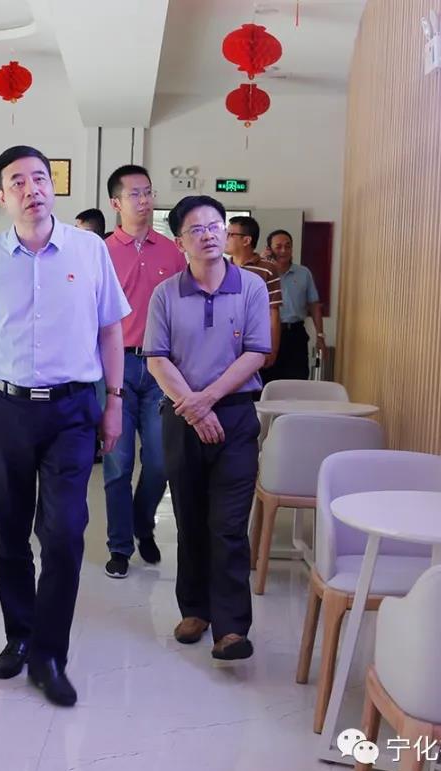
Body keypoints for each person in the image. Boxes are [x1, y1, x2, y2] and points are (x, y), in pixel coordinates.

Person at [0, 145, 128, 706]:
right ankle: (19, 636)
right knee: (9, 533)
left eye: (40, 178)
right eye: (18, 182)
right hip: (4, 409)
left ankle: (50, 653)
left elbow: (111, 330)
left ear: (53, 186)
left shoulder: (89, 250)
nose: (32, 189)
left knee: (66, 532)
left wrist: (114, 401)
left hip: (72, 410)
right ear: (2, 196)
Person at [143, 195, 270, 661]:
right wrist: (194, 409)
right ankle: (195, 609)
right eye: (196, 229)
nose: (209, 235)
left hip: (234, 415)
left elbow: (256, 354)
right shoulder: (165, 294)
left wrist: (209, 400)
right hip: (182, 416)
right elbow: (157, 359)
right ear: (180, 242)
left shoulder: (251, 286)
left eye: (216, 225)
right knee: (190, 519)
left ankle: (232, 627)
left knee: (229, 525)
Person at [100, 165, 186, 578]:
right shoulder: (100, 252)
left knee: (160, 461)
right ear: (116, 203)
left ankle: (141, 522)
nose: (145, 200)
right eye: (135, 194)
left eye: (148, 192)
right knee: (117, 464)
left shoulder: (172, 252)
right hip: (114, 368)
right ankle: (119, 546)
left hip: (160, 368)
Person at [263, 229, 326, 381]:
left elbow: (314, 305)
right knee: (267, 382)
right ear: (269, 249)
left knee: (297, 381)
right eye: (278, 247)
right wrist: (262, 262)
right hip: (268, 334)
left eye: (288, 246)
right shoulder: (262, 273)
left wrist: (320, 336)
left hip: (295, 334)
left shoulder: (303, 273)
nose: (283, 250)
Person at [226, 215, 281, 371]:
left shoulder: (267, 269)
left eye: (230, 234)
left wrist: (272, 348)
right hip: (227, 344)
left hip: (255, 342)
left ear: (246, 240)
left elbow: (273, 312)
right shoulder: (223, 268)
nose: (225, 238)